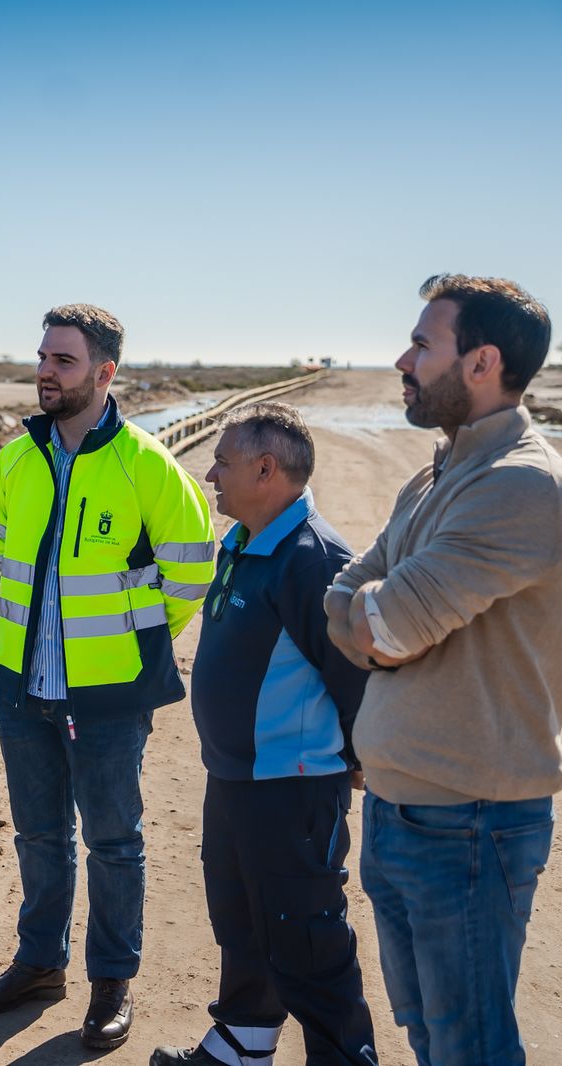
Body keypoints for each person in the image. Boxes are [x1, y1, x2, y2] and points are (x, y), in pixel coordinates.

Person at [325, 275, 562, 1065]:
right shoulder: (436, 472)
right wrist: (370, 616)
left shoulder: (522, 484)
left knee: (469, 1044)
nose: (402, 359)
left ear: (481, 362)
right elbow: (344, 592)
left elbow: (389, 626)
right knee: (429, 1032)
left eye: (421, 343)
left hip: (471, 821)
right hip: (402, 806)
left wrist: (373, 618)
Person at [0, 304, 215, 1050]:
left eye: (63, 360)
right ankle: (39, 964)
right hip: (23, 684)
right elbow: (6, 555)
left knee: (114, 842)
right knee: (39, 836)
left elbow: (192, 570)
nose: (45, 370)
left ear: (105, 373)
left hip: (109, 696)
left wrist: (134, 647)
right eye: (43, 356)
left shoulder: (146, 465)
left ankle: (112, 981)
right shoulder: (16, 458)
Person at [150, 403, 377, 1066]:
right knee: (242, 918)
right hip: (237, 778)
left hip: (292, 785)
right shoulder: (246, 539)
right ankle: (242, 1043)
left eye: (223, 461)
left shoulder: (316, 559)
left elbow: (354, 674)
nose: (212, 473)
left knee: (306, 937)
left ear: (266, 469)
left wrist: (357, 761)